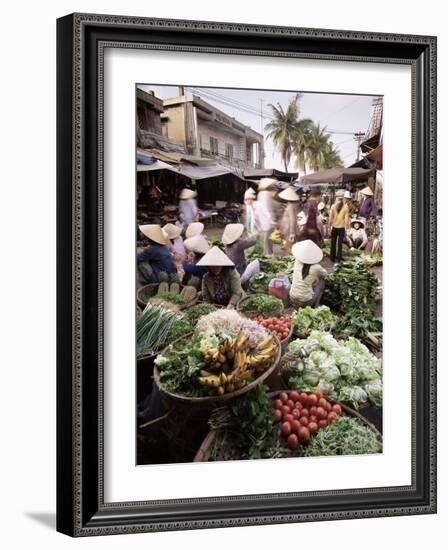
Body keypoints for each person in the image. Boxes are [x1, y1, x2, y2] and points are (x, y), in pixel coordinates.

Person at [289, 240, 327, 308]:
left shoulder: (297, 261)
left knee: (311, 279)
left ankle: (297, 305)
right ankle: (315, 307)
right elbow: (325, 275)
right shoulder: (316, 268)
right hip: (305, 301)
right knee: (322, 282)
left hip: (292, 297)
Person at [243, 185, 274, 254]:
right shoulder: (249, 207)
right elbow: (249, 220)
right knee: (260, 243)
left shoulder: (259, 204)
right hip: (258, 228)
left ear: (251, 199)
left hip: (266, 226)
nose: (246, 201)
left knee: (266, 244)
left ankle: (269, 256)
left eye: (247, 199)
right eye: (245, 200)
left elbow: (266, 213)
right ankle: (264, 255)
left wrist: (270, 220)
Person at [256, 178, 277, 254]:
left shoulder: (260, 194)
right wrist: (271, 220)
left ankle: (268, 254)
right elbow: (266, 209)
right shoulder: (266, 194)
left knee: (267, 241)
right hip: (267, 222)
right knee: (267, 242)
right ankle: (268, 256)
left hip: (264, 222)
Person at [328, 190, 350, 262]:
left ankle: (332, 258)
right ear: (343, 198)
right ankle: (339, 258)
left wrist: (329, 228)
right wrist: (347, 228)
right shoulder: (346, 207)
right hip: (341, 228)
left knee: (333, 243)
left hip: (334, 227)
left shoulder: (333, 206)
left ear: (336, 197)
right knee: (340, 243)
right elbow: (346, 219)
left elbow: (330, 218)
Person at [278, 186, 300, 254]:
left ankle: (292, 261)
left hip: (289, 230)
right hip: (289, 229)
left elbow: (292, 219)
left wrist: (292, 232)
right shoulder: (292, 205)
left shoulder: (290, 206)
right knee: (290, 247)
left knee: (289, 248)